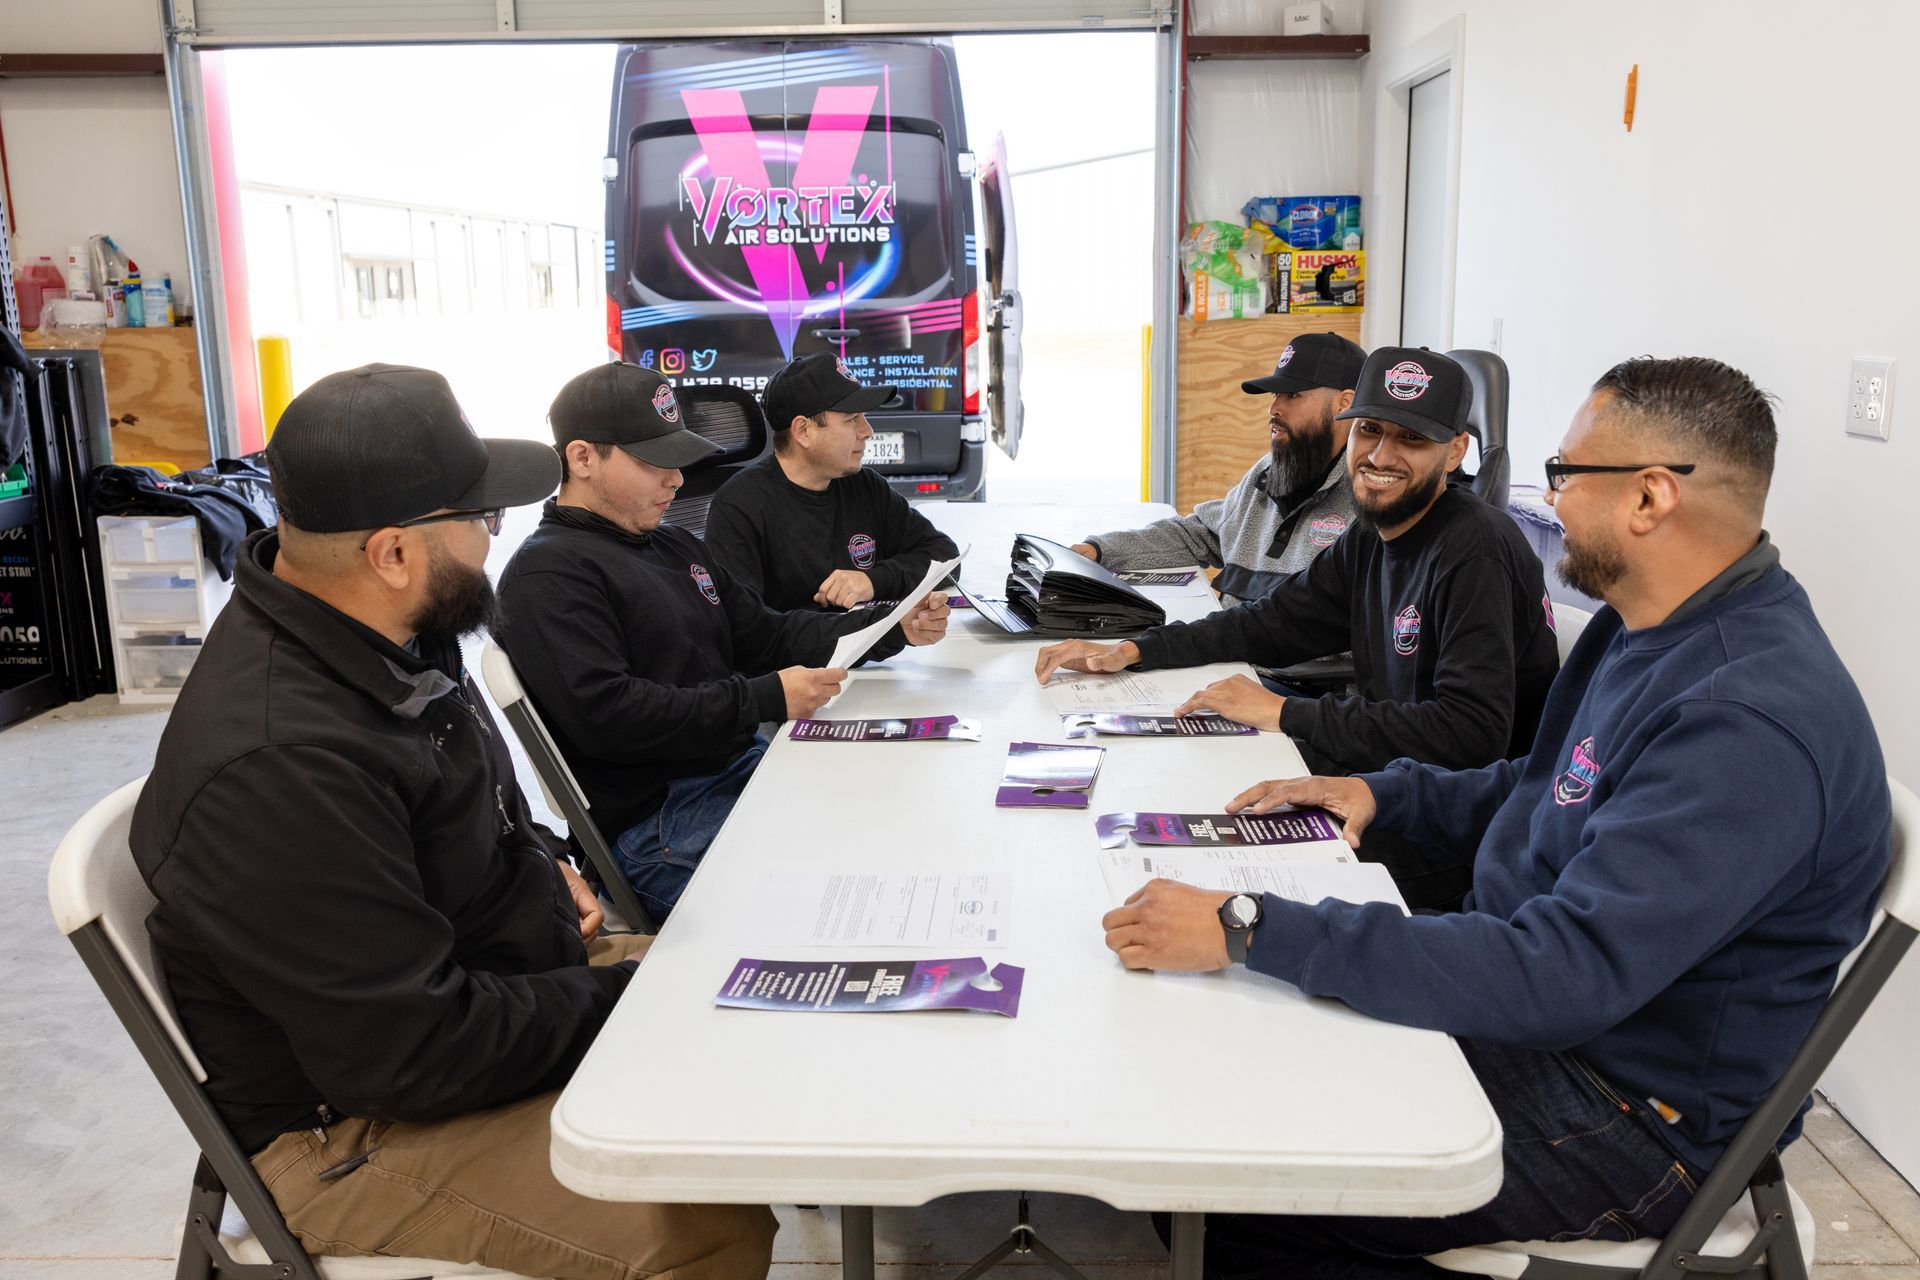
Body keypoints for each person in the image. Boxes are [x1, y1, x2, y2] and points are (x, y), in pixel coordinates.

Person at [1100, 356, 1892, 1280]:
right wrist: (1385, 791)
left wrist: (1251, 925)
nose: (1549, 501)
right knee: (1221, 1077)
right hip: (1537, 997)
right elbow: (1551, 779)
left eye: (1566, 474)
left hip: (1631, 1108)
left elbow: (1563, 972)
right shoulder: (1648, 625)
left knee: (1220, 1200)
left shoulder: (1746, 721)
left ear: (1649, 497)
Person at [130, 363, 777, 1280]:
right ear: (392, 553)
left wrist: (542, 859)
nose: (494, 538)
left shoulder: (386, 633)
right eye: (484, 519)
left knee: (768, 1000)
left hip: (481, 982)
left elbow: (457, 804)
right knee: (697, 1224)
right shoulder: (281, 763)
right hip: (355, 1126)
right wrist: (633, 998)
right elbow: (411, 1055)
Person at [1036, 346, 1559, 908]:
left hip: (1460, 828)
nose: (1380, 455)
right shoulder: (1375, 533)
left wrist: (1286, 712)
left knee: (1220, 863)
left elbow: (1471, 736)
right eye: (1370, 430)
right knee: (1185, 780)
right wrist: (1137, 649)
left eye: (1411, 438)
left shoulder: (1475, 549)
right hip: (1388, 780)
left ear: (1455, 451)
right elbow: (1273, 622)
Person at [497, 362, 950, 923]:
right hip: (662, 821)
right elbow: (609, 715)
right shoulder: (548, 575)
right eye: (653, 461)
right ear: (583, 457)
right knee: (850, 908)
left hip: (741, 766)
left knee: (904, 837)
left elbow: (768, 634)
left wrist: (890, 626)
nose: (676, 480)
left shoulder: (673, 546)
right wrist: (764, 697)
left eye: (678, 459)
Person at [1070, 332, 1366, 604]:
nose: (1274, 409)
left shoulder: (1366, 502)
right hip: (1228, 642)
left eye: (1292, 395)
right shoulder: (1267, 473)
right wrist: (1101, 550)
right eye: (1275, 395)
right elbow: (1198, 535)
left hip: (1262, 646)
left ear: (1344, 403)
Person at [704, 351, 960, 612]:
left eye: (863, 416)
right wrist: (862, 625)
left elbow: (946, 557)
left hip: (870, 637)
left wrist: (874, 580)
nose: (867, 431)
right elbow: (746, 624)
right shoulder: (740, 507)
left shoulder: (864, 486)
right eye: (851, 419)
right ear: (803, 431)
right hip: (810, 641)